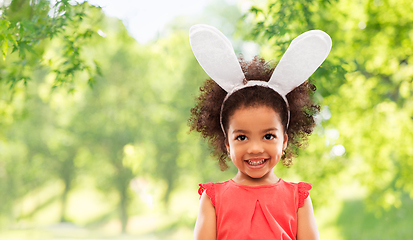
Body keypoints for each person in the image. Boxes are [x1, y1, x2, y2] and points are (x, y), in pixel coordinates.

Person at [188, 24, 332, 240]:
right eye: (242, 137)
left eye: (268, 136)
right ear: (227, 144)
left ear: (284, 140)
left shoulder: (298, 199)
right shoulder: (212, 199)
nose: (255, 148)